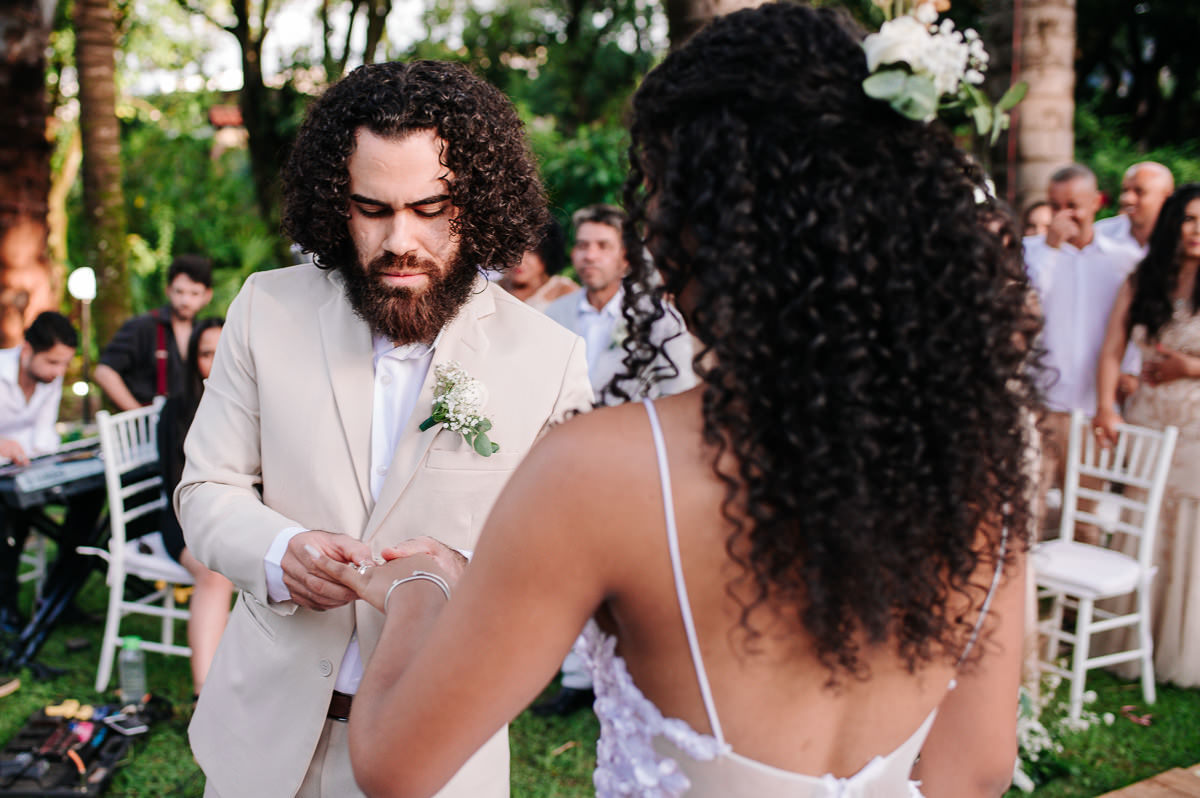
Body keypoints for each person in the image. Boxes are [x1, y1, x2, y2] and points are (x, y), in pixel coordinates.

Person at [318, 6, 1035, 797]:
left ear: (694, 226)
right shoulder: (980, 471)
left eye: (659, 190)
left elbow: (393, 767)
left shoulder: (604, 475)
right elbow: (976, 771)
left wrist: (419, 590)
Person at [176, 60, 593, 798]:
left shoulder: (550, 359)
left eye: (432, 208)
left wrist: (455, 572)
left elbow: (568, 559)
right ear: (337, 205)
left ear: (481, 203)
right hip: (265, 746)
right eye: (373, 209)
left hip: (441, 755)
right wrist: (279, 552)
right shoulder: (264, 310)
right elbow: (207, 488)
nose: (401, 239)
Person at [1094, 183, 1200, 688]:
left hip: (1197, 423)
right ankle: (1133, 639)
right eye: (1189, 219)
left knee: (1190, 527)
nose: (1197, 230)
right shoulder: (1145, 279)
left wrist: (1189, 367)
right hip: (1148, 419)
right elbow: (1112, 346)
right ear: (1172, 224)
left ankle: (1184, 648)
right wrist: (1104, 407)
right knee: (1146, 520)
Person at [1025, 164, 1143, 539]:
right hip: (1040, 404)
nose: (1064, 215)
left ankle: (1073, 596)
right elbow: (1028, 306)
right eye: (1055, 205)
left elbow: (1133, 327)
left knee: (1086, 519)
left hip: (1093, 407)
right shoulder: (1032, 253)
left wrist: (1128, 373)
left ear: (1096, 203)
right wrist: (1051, 249)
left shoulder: (1122, 259)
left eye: (1073, 205)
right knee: (1030, 510)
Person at [545, 204, 695, 405]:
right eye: (582, 245)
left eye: (603, 246)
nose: (590, 256)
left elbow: (679, 393)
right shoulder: (554, 314)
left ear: (625, 257)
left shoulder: (658, 317)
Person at [157, 318, 232, 698]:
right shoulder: (176, 410)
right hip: (184, 518)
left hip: (239, 515)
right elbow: (177, 487)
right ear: (193, 360)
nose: (214, 361)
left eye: (222, 351)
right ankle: (205, 690)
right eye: (205, 353)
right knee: (214, 573)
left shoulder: (248, 403)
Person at [0, 312, 80, 632]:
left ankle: (60, 594)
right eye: (52, 363)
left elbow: (45, 433)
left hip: (26, 473)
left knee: (88, 502)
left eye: (64, 364)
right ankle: (6, 607)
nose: (59, 372)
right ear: (28, 350)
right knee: (9, 514)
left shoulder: (51, 379)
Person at [94, 254, 213, 411]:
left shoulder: (204, 333)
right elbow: (104, 372)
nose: (185, 301)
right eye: (179, 292)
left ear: (207, 296)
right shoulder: (142, 326)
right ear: (168, 290)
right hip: (148, 425)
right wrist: (137, 412)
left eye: (194, 293)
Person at [1095, 161, 1175, 256]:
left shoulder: (1180, 240)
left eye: (1139, 191)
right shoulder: (1099, 234)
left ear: (1166, 197)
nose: (1127, 199)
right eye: (1125, 190)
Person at [497, 218, 578, 311]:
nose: (520, 260)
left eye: (532, 251)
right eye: (514, 249)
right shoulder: (490, 288)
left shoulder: (565, 292)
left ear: (548, 254)